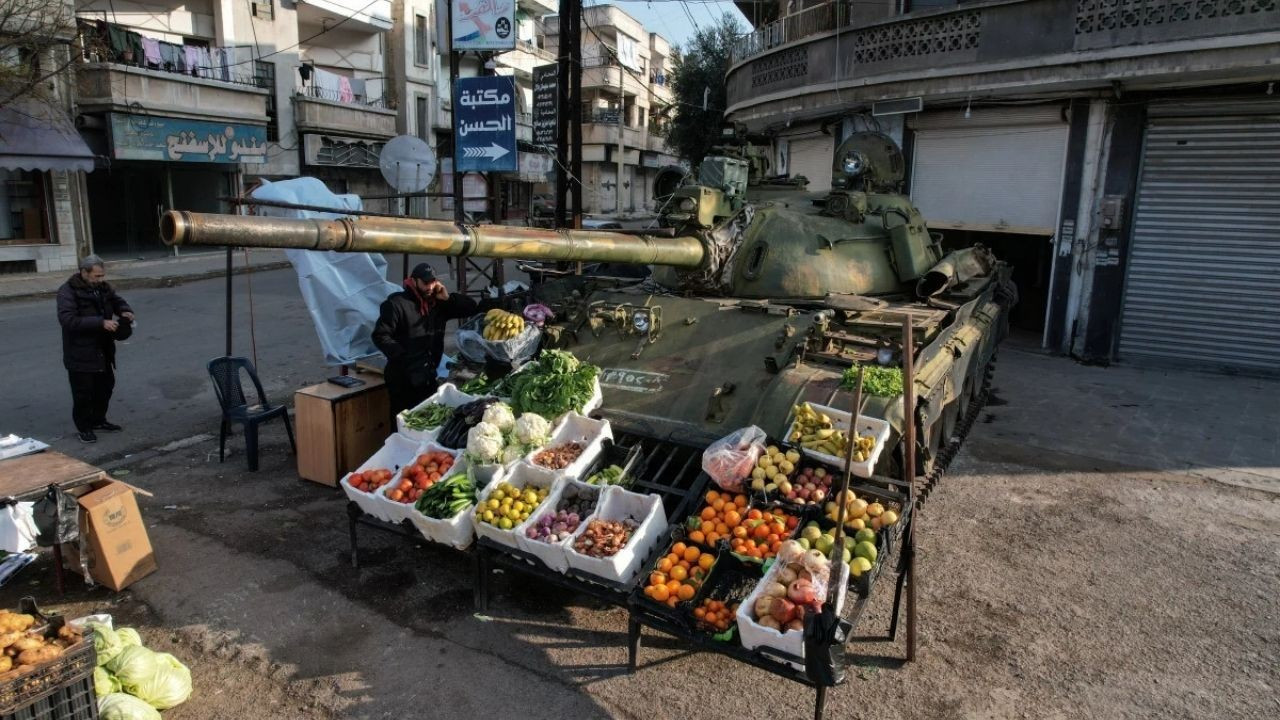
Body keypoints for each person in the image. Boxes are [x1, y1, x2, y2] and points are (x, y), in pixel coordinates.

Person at [372, 262, 476, 414]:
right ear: (414, 281)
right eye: (425, 283)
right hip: (403, 379)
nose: (429, 287)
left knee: (426, 418)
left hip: (427, 377)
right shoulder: (396, 304)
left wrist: (448, 299)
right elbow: (380, 335)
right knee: (403, 421)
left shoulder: (438, 303)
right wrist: (403, 356)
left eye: (433, 282)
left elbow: (471, 307)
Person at [57, 255, 134, 443]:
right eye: (97, 276)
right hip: (80, 352)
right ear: (84, 272)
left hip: (103, 349)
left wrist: (125, 310)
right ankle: (84, 428)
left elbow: (117, 300)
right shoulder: (67, 292)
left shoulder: (103, 288)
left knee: (105, 387)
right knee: (83, 394)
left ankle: (99, 420)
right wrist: (100, 323)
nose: (101, 280)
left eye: (102, 276)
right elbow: (67, 320)